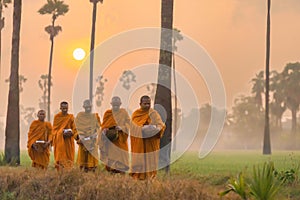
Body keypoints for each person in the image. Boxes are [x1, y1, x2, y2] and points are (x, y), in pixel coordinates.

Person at [130, 95, 166, 180]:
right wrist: (143, 128)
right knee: (139, 162)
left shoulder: (154, 113)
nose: (147, 106)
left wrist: (156, 128)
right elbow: (133, 127)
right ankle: (138, 180)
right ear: (140, 104)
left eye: (149, 104)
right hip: (140, 143)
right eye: (145, 104)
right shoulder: (136, 114)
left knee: (151, 162)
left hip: (151, 142)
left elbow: (161, 125)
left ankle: (150, 180)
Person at [100, 96, 130, 174]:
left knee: (122, 163)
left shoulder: (123, 112)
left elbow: (129, 124)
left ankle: (123, 180)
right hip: (111, 141)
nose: (115, 106)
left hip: (120, 141)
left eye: (117, 105)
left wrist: (122, 127)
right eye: (114, 105)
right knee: (111, 163)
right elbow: (103, 125)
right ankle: (112, 179)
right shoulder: (108, 113)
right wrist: (104, 129)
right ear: (111, 104)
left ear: (120, 104)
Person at [75, 99, 101, 172]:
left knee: (92, 162)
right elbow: (75, 128)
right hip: (83, 141)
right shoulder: (80, 116)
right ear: (83, 107)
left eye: (89, 107)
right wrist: (79, 135)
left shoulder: (95, 116)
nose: (88, 108)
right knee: (82, 163)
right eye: (86, 107)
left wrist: (95, 134)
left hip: (92, 141)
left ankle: (93, 176)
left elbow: (99, 128)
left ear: (91, 106)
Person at [52, 101, 78, 171]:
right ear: (60, 108)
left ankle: (68, 175)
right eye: (63, 108)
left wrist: (72, 133)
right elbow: (54, 131)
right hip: (60, 143)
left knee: (69, 159)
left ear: (68, 108)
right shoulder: (57, 117)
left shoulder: (71, 117)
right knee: (60, 160)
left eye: (66, 108)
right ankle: (60, 175)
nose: (65, 110)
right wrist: (61, 133)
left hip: (69, 142)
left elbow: (74, 128)